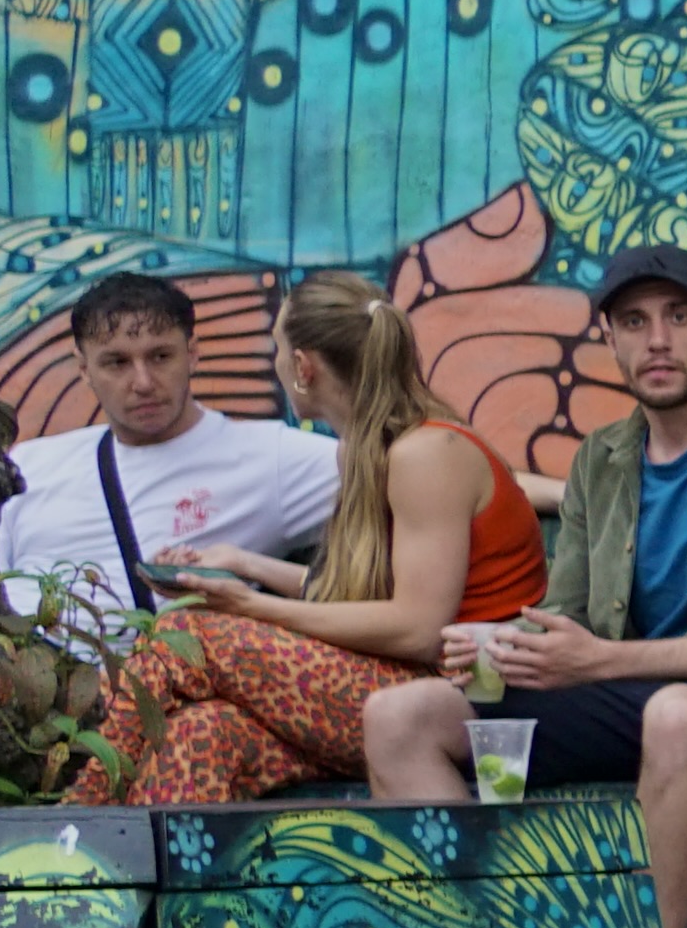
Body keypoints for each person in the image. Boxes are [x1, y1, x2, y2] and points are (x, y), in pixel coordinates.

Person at [353, 251, 687, 928]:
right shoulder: (603, 457)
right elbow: (571, 615)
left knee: (677, 715)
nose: (658, 340)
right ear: (610, 339)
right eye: (635, 322)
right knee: (400, 716)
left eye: (679, 317)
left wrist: (597, 661)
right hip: (633, 698)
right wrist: (508, 645)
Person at [73, 275, 535, 805]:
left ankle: (80, 816)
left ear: (302, 366)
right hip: (388, 684)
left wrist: (251, 606)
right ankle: (132, 859)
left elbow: (417, 629)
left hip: (465, 698)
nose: (275, 362)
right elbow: (367, 593)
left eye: (276, 349)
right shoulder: (362, 451)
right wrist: (246, 566)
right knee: (200, 734)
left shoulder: (425, 453)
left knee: (187, 633)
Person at [0, 273, 344, 596]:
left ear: (192, 354)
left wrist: (250, 567)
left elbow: (379, 471)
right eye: (117, 363)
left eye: (160, 356)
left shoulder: (271, 457)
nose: (143, 383)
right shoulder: (27, 467)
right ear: (84, 369)